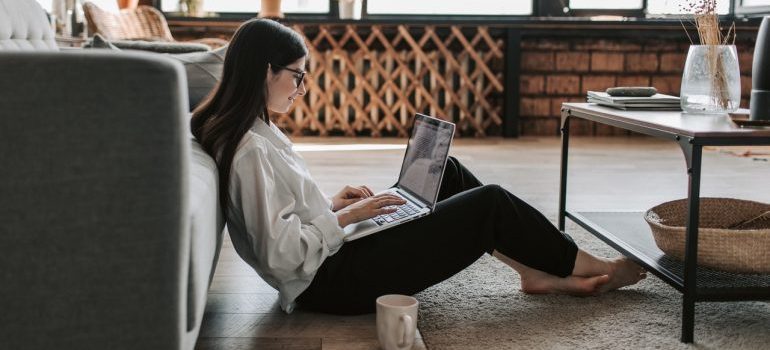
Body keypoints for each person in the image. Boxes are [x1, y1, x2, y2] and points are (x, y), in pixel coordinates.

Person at [191, 19, 646, 315]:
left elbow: (281, 218)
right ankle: (588, 265)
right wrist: (345, 219)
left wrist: (333, 204)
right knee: (490, 203)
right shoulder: (250, 148)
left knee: (446, 171)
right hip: (328, 283)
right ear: (265, 71)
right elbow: (280, 255)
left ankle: (533, 271)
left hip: (331, 257)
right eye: (298, 75)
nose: (302, 88)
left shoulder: (257, 131)